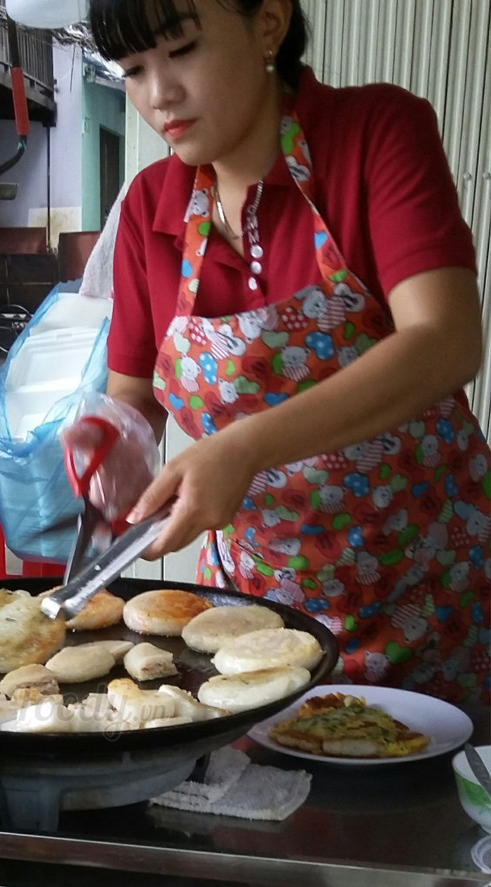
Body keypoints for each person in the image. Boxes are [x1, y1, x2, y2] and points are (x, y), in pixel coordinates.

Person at [88, 0, 490, 703]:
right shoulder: (150, 206)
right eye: (133, 69)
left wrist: (243, 449)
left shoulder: (373, 134)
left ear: (268, 22)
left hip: (430, 593)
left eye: (181, 50)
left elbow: (445, 339)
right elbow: (134, 394)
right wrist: (106, 452)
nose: (159, 95)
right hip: (255, 618)